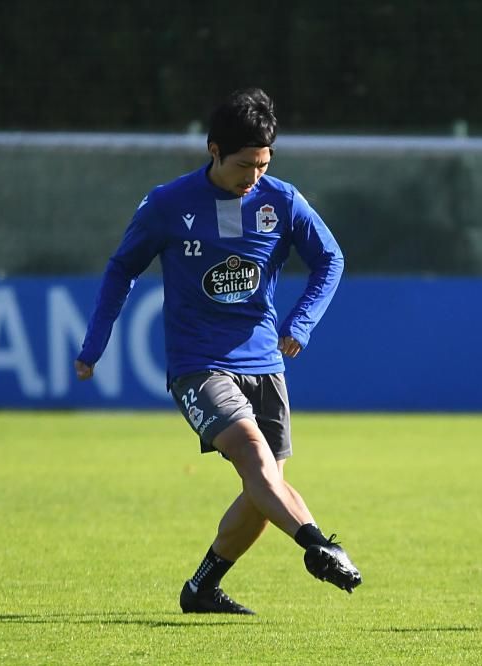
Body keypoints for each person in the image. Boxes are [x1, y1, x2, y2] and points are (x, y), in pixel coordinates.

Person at [74, 87, 361, 615]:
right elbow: (121, 268)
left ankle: (202, 588)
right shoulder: (167, 204)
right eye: (245, 165)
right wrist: (95, 343)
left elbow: (331, 259)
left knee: (265, 486)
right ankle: (317, 544)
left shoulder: (282, 199)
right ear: (213, 150)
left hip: (265, 364)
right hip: (198, 365)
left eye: (264, 164)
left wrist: (302, 322)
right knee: (256, 457)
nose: (253, 177)